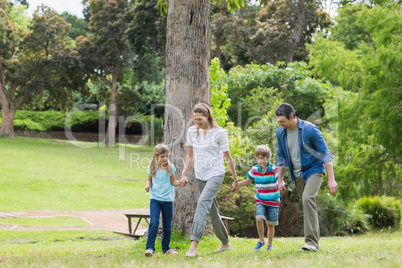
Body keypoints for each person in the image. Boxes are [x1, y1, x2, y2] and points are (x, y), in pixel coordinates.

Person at [275, 103, 338, 252]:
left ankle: (311, 243)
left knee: (307, 198)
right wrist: (280, 179)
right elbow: (281, 157)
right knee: (307, 203)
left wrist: (331, 178)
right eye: (278, 121)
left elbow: (325, 154)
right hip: (297, 174)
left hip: (314, 169)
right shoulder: (281, 132)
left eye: (282, 121)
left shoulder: (310, 130)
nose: (279, 124)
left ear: (292, 117)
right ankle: (313, 240)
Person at [180, 103, 239, 258]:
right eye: (195, 119)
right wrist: (183, 174)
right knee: (213, 211)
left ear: (207, 116)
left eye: (200, 119)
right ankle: (225, 242)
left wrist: (235, 179)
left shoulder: (219, 133)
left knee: (202, 203)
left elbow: (227, 157)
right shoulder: (192, 131)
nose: (197, 122)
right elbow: (190, 156)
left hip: (216, 174)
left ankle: (193, 244)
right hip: (200, 175)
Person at [232, 145, 279, 251]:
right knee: (259, 219)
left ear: (267, 158)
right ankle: (261, 241)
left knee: (270, 224)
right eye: (258, 158)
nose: (260, 160)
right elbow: (248, 181)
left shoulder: (273, 168)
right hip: (260, 199)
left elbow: (279, 179)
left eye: (262, 158)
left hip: (273, 200)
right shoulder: (254, 169)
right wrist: (236, 184)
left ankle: (269, 245)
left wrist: (282, 184)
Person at [144, 144, 184, 256]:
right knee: (154, 222)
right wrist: (147, 186)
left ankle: (166, 248)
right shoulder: (151, 168)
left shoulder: (170, 168)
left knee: (167, 225)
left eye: (166, 156)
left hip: (167, 200)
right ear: (156, 156)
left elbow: (173, 182)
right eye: (162, 156)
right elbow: (149, 180)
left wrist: (180, 183)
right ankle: (150, 248)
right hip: (155, 199)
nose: (165, 158)